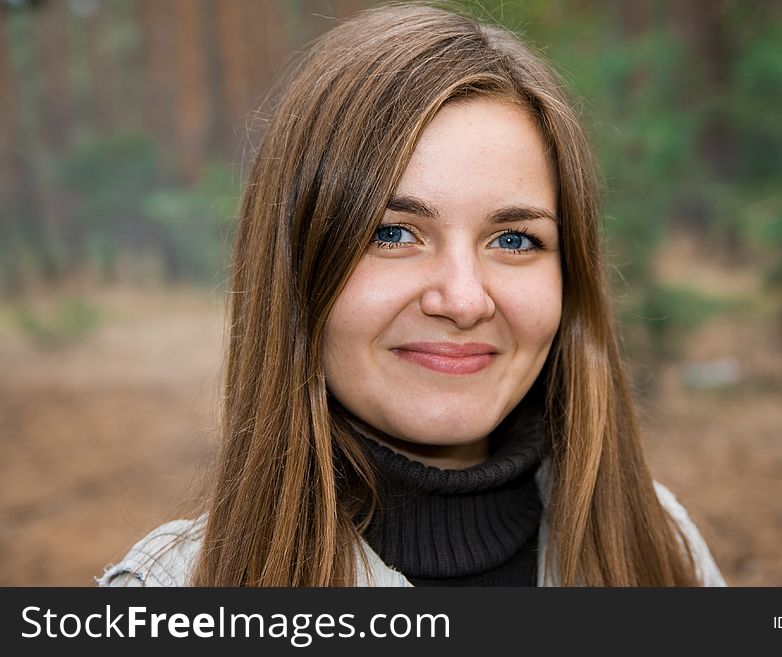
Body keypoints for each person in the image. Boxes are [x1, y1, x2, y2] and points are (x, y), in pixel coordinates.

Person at [98, 2, 725, 587]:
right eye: (393, 233)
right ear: (297, 271)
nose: (463, 299)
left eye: (513, 240)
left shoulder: (662, 552)